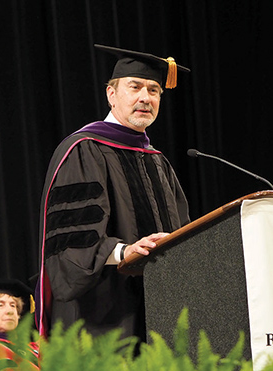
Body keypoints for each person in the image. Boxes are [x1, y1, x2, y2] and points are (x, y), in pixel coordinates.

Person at [35, 44, 191, 342]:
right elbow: (71, 240)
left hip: (160, 315)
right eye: (135, 87)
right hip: (101, 318)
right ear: (111, 95)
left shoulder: (157, 160)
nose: (145, 97)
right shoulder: (84, 149)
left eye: (154, 90)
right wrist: (124, 251)